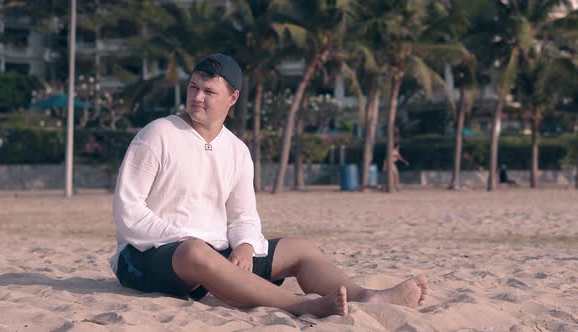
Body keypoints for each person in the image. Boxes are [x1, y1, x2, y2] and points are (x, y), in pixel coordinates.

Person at [111, 53, 428, 318]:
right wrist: (182, 238)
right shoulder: (158, 134)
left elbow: (243, 216)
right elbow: (128, 209)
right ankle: (301, 305)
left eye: (209, 92)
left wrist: (245, 245)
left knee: (301, 248)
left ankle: (366, 296)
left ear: (232, 98)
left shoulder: (237, 151)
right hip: (149, 254)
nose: (197, 97)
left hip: (217, 253)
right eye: (193, 87)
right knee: (195, 251)